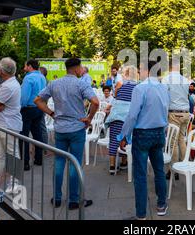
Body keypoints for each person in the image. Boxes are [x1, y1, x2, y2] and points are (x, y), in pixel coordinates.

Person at [35, 58, 99, 210]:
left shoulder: (54, 84)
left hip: (60, 129)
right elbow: (95, 102)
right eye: (81, 67)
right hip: (76, 128)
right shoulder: (81, 83)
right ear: (76, 69)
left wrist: (51, 113)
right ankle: (73, 200)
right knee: (75, 164)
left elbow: (38, 100)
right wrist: (89, 118)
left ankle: (57, 198)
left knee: (59, 163)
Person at [118, 60, 170, 220]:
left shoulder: (140, 88)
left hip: (142, 134)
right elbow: (166, 109)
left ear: (147, 70)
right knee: (159, 171)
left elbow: (132, 115)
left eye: (141, 68)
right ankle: (162, 205)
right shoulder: (163, 87)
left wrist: (123, 135)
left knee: (140, 175)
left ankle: (141, 214)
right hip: (159, 133)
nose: (139, 71)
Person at [0, 58, 23, 192]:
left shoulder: (7, 86)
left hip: (7, 125)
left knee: (11, 154)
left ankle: (14, 184)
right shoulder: (11, 83)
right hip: (5, 125)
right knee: (1, 155)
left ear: (2, 70)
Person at [104, 66, 137, 174]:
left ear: (125, 74)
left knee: (114, 139)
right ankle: (123, 163)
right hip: (128, 117)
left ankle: (112, 166)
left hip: (116, 115)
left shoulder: (119, 83)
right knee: (125, 139)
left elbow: (116, 97)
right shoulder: (137, 86)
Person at [162, 60, 190, 180]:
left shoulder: (166, 79)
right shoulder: (185, 80)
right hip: (185, 112)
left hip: (174, 113)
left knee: (172, 143)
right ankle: (183, 166)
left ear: (169, 68)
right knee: (181, 140)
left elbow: (163, 97)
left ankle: (173, 169)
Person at [20, 59, 47, 171]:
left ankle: (25, 163)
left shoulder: (28, 77)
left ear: (30, 66)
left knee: (24, 136)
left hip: (28, 109)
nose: (24, 67)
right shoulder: (42, 77)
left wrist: (20, 107)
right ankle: (38, 159)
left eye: (25, 65)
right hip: (39, 108)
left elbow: (24, 96)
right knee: (37, 134)